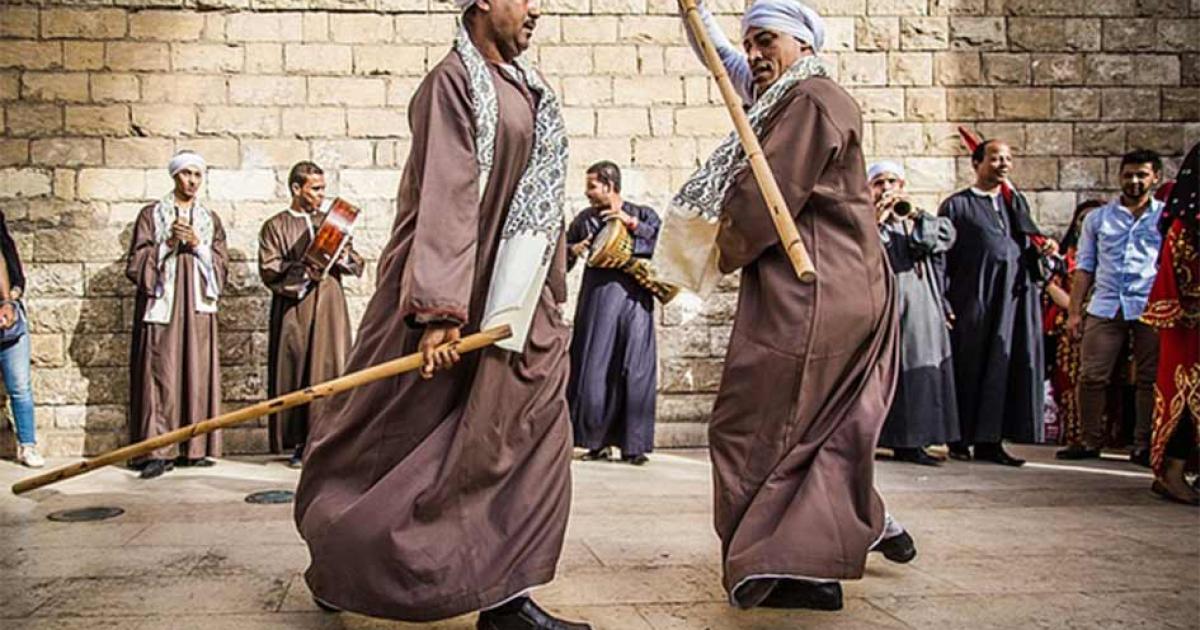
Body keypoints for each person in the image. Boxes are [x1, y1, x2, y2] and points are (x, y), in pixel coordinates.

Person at [293, 0, 588, 627]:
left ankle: (506, 597)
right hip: (446, 293)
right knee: (389, 437)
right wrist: (440, 311)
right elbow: (448, 191)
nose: (537, 10)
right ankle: (341, 558)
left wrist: (547, 292)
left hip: (516, 297)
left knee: (523, 436)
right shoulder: (451, 84)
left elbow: (539, 206)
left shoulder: (529, 90)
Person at [661, 0, 914, 612]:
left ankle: (789, 560)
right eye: (749, 43)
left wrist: (706, 245)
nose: (754, 54)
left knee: (760, 422)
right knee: (815, 426)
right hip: (826, 285)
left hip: (819, 289)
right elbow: (720, 58)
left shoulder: (810, 101)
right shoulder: (788, 96)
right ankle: (820, 552)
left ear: (801, 42)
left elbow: (762, 198)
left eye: (765, 40)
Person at [940, 140, 1054, 467]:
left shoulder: (1014, 203)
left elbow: (1026, 245)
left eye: (1007, 158)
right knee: (970, 366)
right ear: (977, 163)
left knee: (1003, 368)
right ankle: (960, 438)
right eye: (995, 158)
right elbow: (944, 258)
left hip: (1011, 302)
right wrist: (945, 301)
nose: (1003, 164)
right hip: (973, 300)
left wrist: (1042, 250)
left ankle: (992, 441)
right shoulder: (957, 206)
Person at [1058, 150, 1165, 464]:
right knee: (1093, 375)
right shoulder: (1098, 218)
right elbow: (1084, 267)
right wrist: (1075, 312)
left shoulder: (1164, 217)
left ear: (1155, 177)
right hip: (1106, 305)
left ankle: (1143, 444)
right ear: (1119, 176)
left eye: (1141, 175)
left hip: (1148, 305)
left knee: (1149, 377)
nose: (1134, 181)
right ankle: (1089, 439)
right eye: (1128, 174)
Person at [125, 150, 227, 480]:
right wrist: (168, 243)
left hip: (197, 304)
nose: (192, 181)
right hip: (163, 304)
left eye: (198, 175)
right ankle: (157, 450)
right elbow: (137, 261)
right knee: (160, 373)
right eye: (186, 174)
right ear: (174, 177)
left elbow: (221, 262)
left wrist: (198, 244)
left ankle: (193, 447)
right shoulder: (151, 215)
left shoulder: (209, 219)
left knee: (195, 372)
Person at [259, 162, 363, 468]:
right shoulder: (275, 226)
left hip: (330, 305)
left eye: (322, 188)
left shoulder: (332, 222)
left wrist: (341, 254)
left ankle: (332, 439)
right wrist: (307, 266)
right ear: (296, 188)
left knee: (331, 366)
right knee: (298, 367)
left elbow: (356, 262)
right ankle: (300, 443)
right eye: (315, 188)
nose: (321, 194)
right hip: (297, 308)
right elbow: (269, 268)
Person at [565, 161, 660, 466]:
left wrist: (630, 224)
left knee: (635, 367)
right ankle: (596, 442)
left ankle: (634, 447)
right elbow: (562, 255)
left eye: (592, 185)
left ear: (609, 184)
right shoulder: (585, 219)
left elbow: (662, 243)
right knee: (594, 368)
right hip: (597, 301)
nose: (587, 192)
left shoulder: (642, 213)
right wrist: (574, 249)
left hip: (635, 301)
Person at [870, 161, 959, 467]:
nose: (886, 189)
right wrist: (875, 220)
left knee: (918, 374)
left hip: (919, 308)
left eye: (892, 182)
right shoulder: (863, 221)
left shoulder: (914, 219)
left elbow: (942, 239)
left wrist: (915, 214)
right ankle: (880, 439)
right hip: (880, 308)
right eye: (879, 183)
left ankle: (915, 441)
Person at [1143, 142, 1198, 504]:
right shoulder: (1187, 223)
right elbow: (1175, 277)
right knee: (1187, 400)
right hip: (1190, 329)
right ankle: (1172, 472)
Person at [1043, 200, 1114, 448]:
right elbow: (1051, 286)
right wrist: (1078, 310)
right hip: (1071, 325)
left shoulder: (1111, 253)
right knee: (1073, 381)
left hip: (1107, 318)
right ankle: (1078, 436)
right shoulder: (1064, 257)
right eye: (1082, 219)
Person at [0, 213, 42, 468]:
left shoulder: (4, 247)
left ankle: (28, 445)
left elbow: (18, 280)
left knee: (20, 387)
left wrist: (9, 301)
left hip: (8, 321)